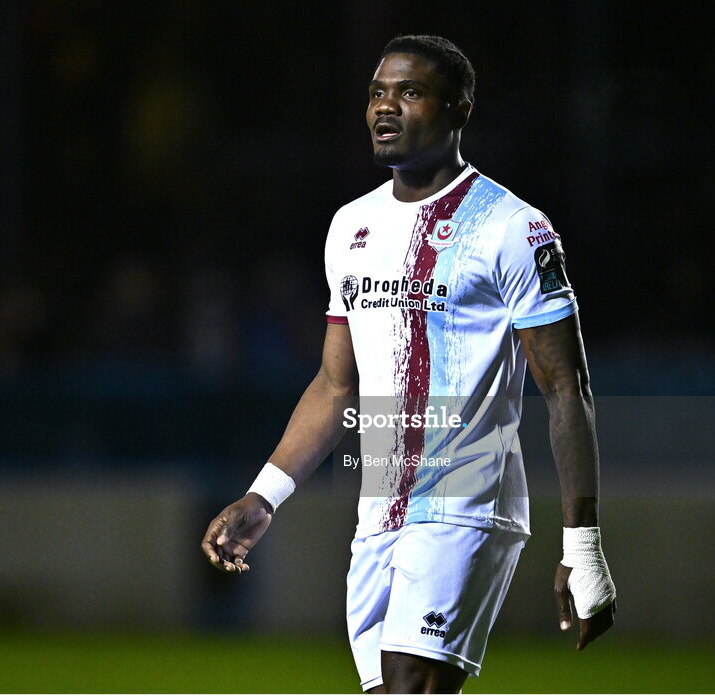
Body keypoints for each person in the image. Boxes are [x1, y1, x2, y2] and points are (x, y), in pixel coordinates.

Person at [202, 34, 616, 694]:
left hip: (467, 494)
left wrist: (583, 543)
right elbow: (337, 384)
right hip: (379, 507)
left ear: (460, 109)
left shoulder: (513, 227)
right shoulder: (351, 227)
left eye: (410, 92)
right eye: (376, 93)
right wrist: (265, 495)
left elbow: (567, 386)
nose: (385, 108)